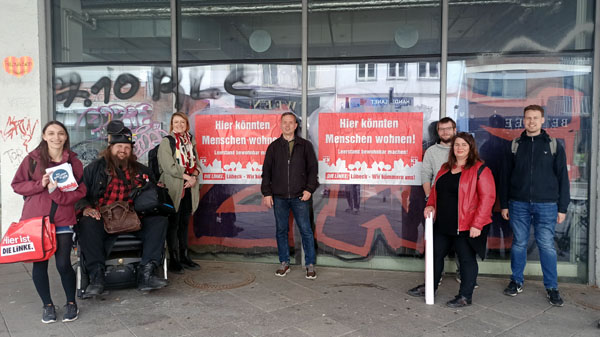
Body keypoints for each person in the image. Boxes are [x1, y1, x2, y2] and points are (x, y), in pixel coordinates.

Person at [76, 120, 168, 296]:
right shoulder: (94, 169)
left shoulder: (142, 170)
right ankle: (97, 277)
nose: (123, 151)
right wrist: (86, 208)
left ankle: (146, 274)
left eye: (127, 147)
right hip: (103, 218)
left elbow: (153, 194)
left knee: (159, 221)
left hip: (133, 218)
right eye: (119, 146)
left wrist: (157, 190)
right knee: (87, 224)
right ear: (110, 147)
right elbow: (79, 194)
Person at [408, 132, 495, 307]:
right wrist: (430, 205)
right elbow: (435, 191)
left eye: (464, 145)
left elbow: (488, 199)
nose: (460, 148)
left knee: (466, 260)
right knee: (434, 257)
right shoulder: (445, 168)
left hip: (466, 225)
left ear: (471, 148)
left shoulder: (480, 170)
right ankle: (429, 287)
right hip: (442, 224)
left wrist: (477, 224)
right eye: (456, 145)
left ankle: (465, 296)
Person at [11, 121, 87, 323]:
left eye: (61, 133)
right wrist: (40, 184)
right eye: (51, 133)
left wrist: (57, 194)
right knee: (40, 264)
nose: (56, 137)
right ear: (44, 136)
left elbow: (80, 191)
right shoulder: (32, 160)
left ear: (66, 137)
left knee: (63, 264)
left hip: (62, 218)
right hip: (36, 220)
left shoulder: (74, 162)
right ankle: (48, 306)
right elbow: (17, 185)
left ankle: (71, 303)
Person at [500, 104, 569, 307]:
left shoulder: (554, 145)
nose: (531, 121)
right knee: (519, 243)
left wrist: (562, 207)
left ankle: (552, 287)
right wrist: (504, 204)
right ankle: (516, 281)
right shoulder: (514, 145)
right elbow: (504, 178)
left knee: (546, 245)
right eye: (528, 118)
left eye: (535, 118)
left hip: (547, 204)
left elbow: (563, 178)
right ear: (523, 120)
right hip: (518, 203)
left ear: (542, 120)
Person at [261, 112, 319, 279]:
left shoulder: (305, 146)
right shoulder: (273, 147)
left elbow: (312, 170)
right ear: (281, 125)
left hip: (300, 196)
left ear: (296, 126)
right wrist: (267, 193)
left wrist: (309, 189)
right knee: (281, 230)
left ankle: (309, 265)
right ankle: (284, 263)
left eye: (291, 123)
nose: (287, 125)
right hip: (279, 197)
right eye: (284, 122)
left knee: (306, 231)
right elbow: (266, 173)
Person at [157, 112, 202, 273]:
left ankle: (185, 256)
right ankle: (174, 259)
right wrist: (187, 177)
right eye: (176, 122)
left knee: (184, 223)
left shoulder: (190, 142)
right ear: (171, 124)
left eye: (182, 122)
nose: (179, 125)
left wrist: (194, 176)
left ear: (186, 124)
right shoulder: (167, 142)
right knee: (173, 224)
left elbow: (197, 163)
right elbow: (168, 166)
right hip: (174, 188)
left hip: (189, 188)